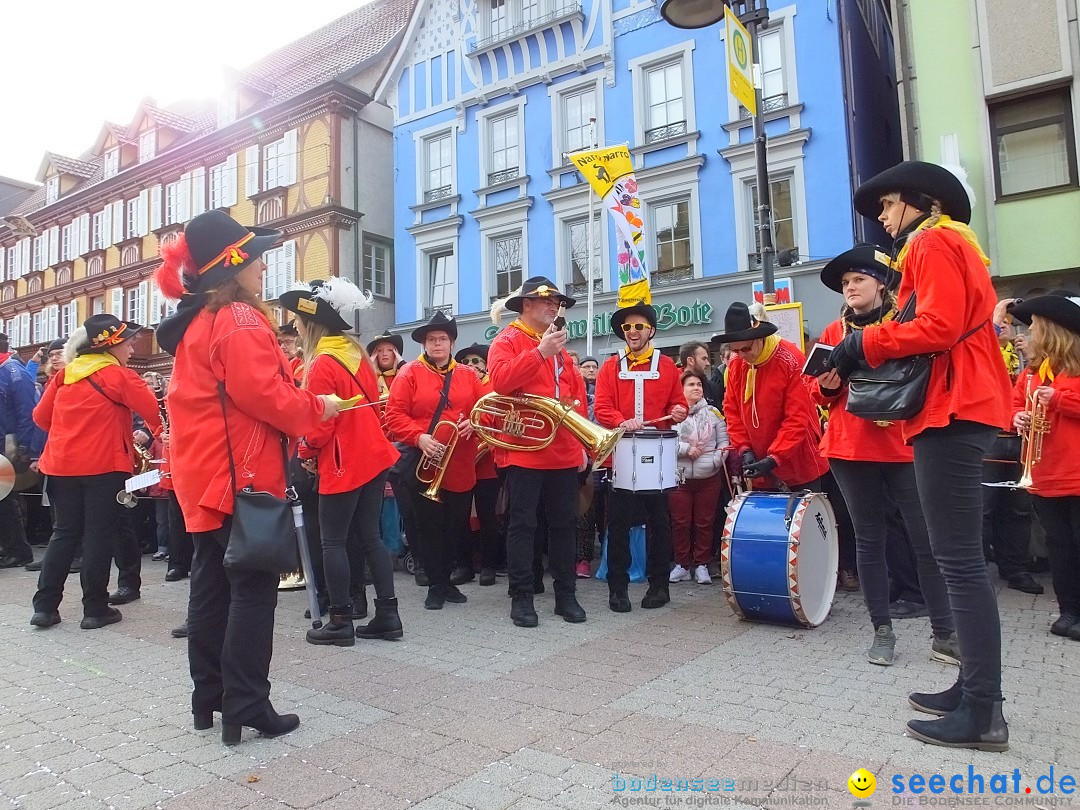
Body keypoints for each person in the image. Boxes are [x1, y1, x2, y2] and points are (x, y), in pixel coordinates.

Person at [835, 160, 1012, 751]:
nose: (883, 219)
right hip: (960, 404)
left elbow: (935, 327)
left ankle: (984, 712)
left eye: (887, 206)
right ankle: (972, 689)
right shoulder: (949, 244)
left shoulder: (932, 240)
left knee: (959, 560)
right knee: (955, 555)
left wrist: (864, 342)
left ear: (919, 202)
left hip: (955, 408)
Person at [154, 210, 339, 744]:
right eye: (256, 257)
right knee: (254, 591)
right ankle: (248, 704)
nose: (264, 266)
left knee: (211, 588)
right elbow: (264, 396)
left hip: (205, 475)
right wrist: (317, 406)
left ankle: (208, 701)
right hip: (242, 478)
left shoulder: (199, 322)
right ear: (233, 266)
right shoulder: (238, 318)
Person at [813, 245, 958, 667]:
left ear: (880, 283)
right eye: (845, 283)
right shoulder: (832, 334)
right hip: (850, 448)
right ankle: (882, 630)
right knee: (869, 539)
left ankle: (945, 633)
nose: (850, 288)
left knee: (925, 540)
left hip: (904, 445)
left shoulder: (906, 325)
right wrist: (828, 384)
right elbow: (816, 394)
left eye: (858, 279)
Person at [279, 278, 403, 645]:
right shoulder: (356, 354)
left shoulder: (321, 363)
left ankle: (340, 620)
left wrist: (305, 453)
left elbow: (318, 423)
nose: (296, 327)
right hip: (373, 454)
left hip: (344, 458)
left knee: (332, 541)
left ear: (310, 323)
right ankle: (388, 614)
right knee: (372, 539)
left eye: (299, 321)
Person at [29, 315, 162, 630]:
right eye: (127, 342)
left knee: (64, 533)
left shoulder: (62, 376)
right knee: (98, 536)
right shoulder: (119, 376)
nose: (132, 348)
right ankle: (94, 609)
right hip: (103, 467)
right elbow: (153, 413)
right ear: (111, 345)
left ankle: (45, 608)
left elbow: (40, 418)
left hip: (61, 466)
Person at [487, 277, 589, 627]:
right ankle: (521, 596)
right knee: (522, 524)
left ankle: (566, 595)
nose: (555, 308)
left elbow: (574, 397)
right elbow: (499, 382)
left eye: (557, 304)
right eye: (547, 302)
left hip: (561, 449)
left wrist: (583, 443)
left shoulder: (559, 347)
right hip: (523, 449)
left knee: (564, 525)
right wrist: (540, 353)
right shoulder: (507, 340)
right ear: (526, 305)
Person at [594, 295, 687, 612]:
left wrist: (678, 411)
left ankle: (659, 587)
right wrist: (622, 420)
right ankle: (617, 589)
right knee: (617, 523)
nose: (632, 331)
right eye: (627, 326)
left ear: (651, 331)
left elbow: (679, 403)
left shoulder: (667, 366)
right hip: (622, 453)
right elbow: (602, 406)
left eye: (638, 326)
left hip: (656, 453)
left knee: (659, 522)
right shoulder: (610, 366)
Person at [385, 311, 483, 610]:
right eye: (431, 340)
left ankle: (447, 580)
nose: (437, 344)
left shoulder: (468, 375)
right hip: (425, 464)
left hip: (460, 462)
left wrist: (475, 424)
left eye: (442, 339)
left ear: (452, 343)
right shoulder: (410, 373)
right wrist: (419, 437)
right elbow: (393, 416)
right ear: (424, 345)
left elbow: (485, 409)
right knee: (428, 527)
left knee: (455, 526)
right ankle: (435, 585)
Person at [1007, 294, 1080, 641]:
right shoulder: (1035, 374)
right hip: (1046, 474)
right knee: (1060, 544)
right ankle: (1069, 610)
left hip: (1076, 473)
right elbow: (1012, 404)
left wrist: (1062, 400)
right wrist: (1017, 417)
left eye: (1035, 326)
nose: (1031, 333)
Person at [713, 302, 829, 491]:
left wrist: (775, 457)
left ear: (761, 338)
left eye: (746, 349)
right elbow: (732, 410)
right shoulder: (736, 363)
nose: (741, 355)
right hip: (759, 463)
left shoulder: (791, 359)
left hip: (798, 463)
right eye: (735, 350)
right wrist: (744, 449)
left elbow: (797, 417)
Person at [980, 297, 1041, 594]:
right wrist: (992, 321)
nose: (1005, 325)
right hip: (989, 439)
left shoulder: (1023, 353)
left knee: (1018, 510)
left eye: (1008, 321)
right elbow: (977, 361)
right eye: (1001, 320)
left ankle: (1015, 569)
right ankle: (976, 577)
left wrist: (1031, 358)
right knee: (983, 510)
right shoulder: (985, 348)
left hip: (1022, 440)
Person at [669, 369, 728, 585]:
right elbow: (667, 441)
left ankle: (702, 564)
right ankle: (682, 564)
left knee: (705, 522)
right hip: (680, 478)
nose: (696, 388)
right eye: (690, 385)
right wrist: (685, 449)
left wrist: (715, 461)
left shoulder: (714, 413)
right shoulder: (673, 413)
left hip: (708, 477)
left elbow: (724, 442)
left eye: (699, 385)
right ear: (681, 389)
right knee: (680, 522)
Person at [455, 342, 498, 585]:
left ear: (485, 365)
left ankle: (489, 565)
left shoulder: (494, 386)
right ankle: (464, 565)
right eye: (467, 362)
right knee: (460, 515)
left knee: (487, 515)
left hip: (486, 463)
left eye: (476, 361)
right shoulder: (459, 384)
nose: (471, 366)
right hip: (462, 458)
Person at [0, 334, 43, 569]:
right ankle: (9, 547)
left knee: (5, 498)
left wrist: (26, 447)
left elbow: (28, 412)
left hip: (8, 443)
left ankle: (18, 549)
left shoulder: (13, 371)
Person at [679, 342, 720, 407]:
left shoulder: (711, 387)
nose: (708, 363)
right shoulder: (672, 386)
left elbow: (719, 415)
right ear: (690, 361)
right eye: (704, 359)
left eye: (699, 385)